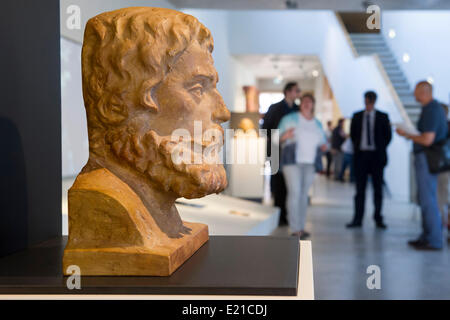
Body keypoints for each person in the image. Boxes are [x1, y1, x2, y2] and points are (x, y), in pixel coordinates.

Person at [397, 81, 447, 250]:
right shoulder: (431, 109)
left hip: (427, 158)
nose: (413, 94)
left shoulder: (432, 109)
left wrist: (407, 135)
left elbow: (427, 139)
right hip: (427, 159)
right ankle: (427, 236)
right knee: (426, 199)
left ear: (424, 91)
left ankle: (434, 239)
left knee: (428, 200)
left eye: (416, 91)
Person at [278, 94, 327, 239]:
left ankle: (301, 227)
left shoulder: (317, 123)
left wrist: (324, 146)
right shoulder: (289, 119)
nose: (307, 104)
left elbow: (323, 142)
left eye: (309, 102)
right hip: (292, 161)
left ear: (313, 105)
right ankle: (294, 229)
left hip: (310, 163)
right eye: (304, 101)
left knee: (304, 196)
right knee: (294, 193)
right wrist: (285, 136)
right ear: (301, 104)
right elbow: (277, 138)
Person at [347, 91, 392, 229]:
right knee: (360, 190)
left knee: (377, 190)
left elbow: (387, 137)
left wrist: (379, 150)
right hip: (361, 157)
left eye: (370, 102)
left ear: (374, 102)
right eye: (367, 101)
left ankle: (378, 218)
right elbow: (353, 135)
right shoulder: (357, 116)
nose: (368, 104)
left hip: (376, 157)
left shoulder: (383, 117)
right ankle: (357, 219)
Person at [262, 82, 301, 226]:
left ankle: (289, 215)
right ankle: (280, 216)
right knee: (278, 185)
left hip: (294, 153)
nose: (299, 93)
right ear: (288, 92)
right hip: (277, 151)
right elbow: (266, 129)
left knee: (292, 185)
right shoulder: (275, 108)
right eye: (297, 90)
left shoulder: (298, 109)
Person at [437, 103, 450, 235]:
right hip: (440, 167)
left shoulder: (441, 127)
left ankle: (441, 224)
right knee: (442, 197)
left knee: (442, 197)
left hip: (443, 167)